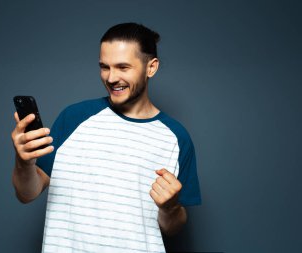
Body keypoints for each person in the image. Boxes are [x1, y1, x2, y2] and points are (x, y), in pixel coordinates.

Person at [11, 23, 201, 253]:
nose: (111, 78)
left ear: (151, 67)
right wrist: (23, 162)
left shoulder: (176, 137)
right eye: (104, 67)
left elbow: (173, 227)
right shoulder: (74, 118)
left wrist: (170, 207)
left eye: (123, 67)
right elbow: (27, 193)